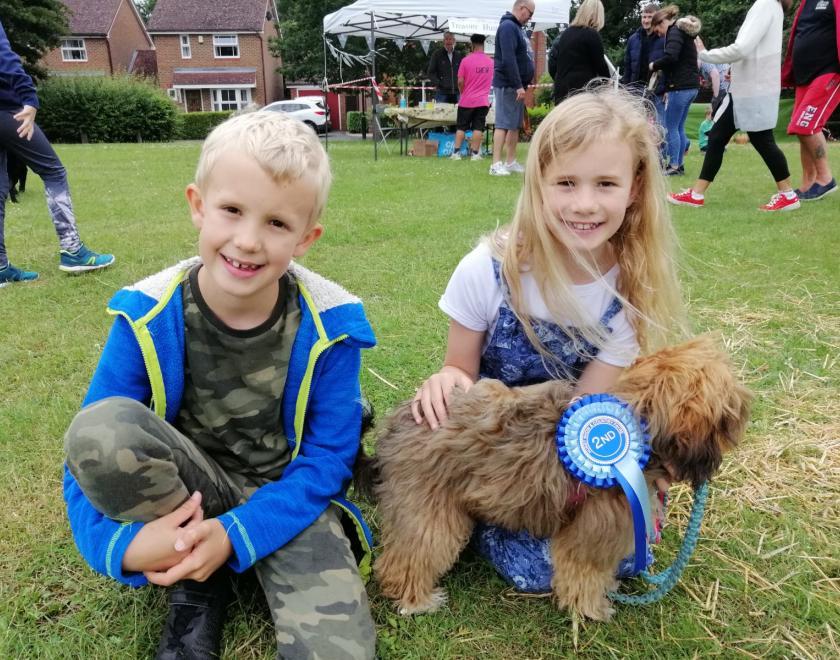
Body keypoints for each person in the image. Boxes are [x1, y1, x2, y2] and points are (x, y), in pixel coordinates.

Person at [62, 111, 377, 659]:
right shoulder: (146, 315)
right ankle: (197, 585)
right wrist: (122, 546)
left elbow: (328, 462)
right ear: (198, 205)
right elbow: (85, 451)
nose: (249, 241)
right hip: (182, 493)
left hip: (284, 496)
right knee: (103, 426)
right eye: (232, 210)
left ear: (307, 238)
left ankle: (228, 554)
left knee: (339, 653)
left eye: (278, 223)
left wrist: (237, 531)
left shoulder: (334, 327)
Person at [412, 87, 686, 592]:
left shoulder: (629, 290)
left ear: (634, 187)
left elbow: (593, 404)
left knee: (626, 555)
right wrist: (446, 379)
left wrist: (622, 486)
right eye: (566, 182)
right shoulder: (487, 271)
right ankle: (474, 511)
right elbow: (461, 369)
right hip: (494, 452)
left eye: (605, 183)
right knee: (538, 570)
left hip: (567, 453)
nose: (584, 204)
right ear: (538, 183)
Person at [0, 19, 114, 287]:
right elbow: (3, 56)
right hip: (7, 110)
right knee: (53, 170)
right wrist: (28, 96)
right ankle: (72, 250)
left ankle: (1, 266)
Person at [669, 0, 800, 212]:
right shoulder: (772, 6)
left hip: (752, 91)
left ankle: (788, 194)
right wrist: (735, 68)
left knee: (762, 140)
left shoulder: (765, 5)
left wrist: (704, 53)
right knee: (717, 137)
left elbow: (741, 48)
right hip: (748, 89)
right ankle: (696, 194)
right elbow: (750, 52)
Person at [781, 0, 840, 201]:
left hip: (829, 73)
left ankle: (826, 179)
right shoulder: (806, 3)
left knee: (804, 125)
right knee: (800, 129)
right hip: (804, 76)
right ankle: (808, 184)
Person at [649, 5, 701, 176]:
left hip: (679, 87)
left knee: (670, 127)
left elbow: (671, 56)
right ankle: (679, 164)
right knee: (678, 127)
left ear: (661, 22)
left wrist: (654, 65)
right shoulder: (682, 32)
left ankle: (674, 165)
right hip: (691, 86)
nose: (658, 34)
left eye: (657, 30)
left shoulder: (674, 32)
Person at [490, 0, 536, 176]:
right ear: (521, 8)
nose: (530, 18)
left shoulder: (517, 28)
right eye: (530, 13)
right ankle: (495, 164)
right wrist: (518, 85)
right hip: (508, 84)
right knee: (502, 124)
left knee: (514, 125)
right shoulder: (508, 27)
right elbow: (508, 58)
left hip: (517, 85)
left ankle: (510, 161)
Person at [547, 0, 610, 104]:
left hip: (561, 91)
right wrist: (608, 81)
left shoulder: (566, 34)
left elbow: (554, 62)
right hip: (581, 92)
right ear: (598, 15)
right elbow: (601, 65)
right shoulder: (591, 34)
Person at [451, 34, 494, 161]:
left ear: (472, 45)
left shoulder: (465, 60)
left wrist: (462, 91)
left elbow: (460, 81)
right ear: (484, 44)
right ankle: (475, 154)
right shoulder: (491, 62)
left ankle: (456, 153)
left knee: (461, 127)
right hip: (482, 101)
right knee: (478, 127)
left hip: (466, 100)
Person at [620, 3, 661, 94]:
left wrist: (667, 90)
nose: (646, 21)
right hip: (635, 89)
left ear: (657, 18)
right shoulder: (633, 39)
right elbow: (628, 67)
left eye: (650, 17)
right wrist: (625, 88)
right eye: (644, 17)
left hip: (656, 91)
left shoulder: (664, 38)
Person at [426, 31, 463, 104]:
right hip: (442, 93)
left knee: (457, 114)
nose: (448, 41)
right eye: (446, 39)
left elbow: (463, 72)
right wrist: (439, 83)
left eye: (450, 39)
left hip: (457, 92)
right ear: (443, 41)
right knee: (441, 114)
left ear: (454, 40)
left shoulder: (459, 55)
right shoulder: (437, 54)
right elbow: (430, 72)